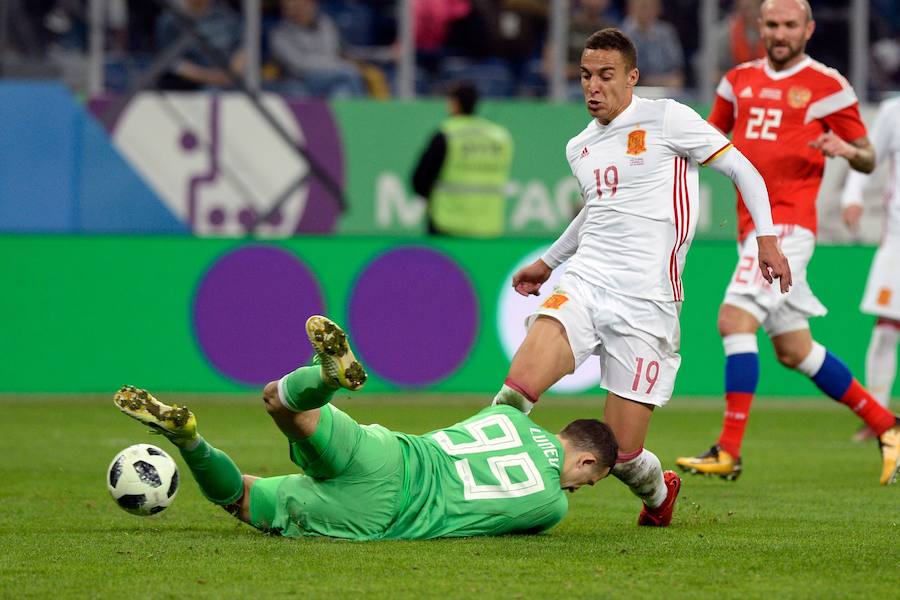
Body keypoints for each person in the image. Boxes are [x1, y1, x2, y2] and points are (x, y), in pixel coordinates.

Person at [490, 27, 791, 528]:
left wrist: (767, 237)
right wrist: (550, 262)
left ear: (632, 78)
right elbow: (597, 211)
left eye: (606, 76)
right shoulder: (579, 147)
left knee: (623, 455)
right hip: (585, 284)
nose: (593, 87)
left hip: (648, 302)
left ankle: (659, 493)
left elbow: (743, 170)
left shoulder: (667, 117)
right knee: (515, 393)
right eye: (586, 76)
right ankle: (478, 488)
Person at [113, 316, 619, 540]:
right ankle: (190, 441)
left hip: (390, 451)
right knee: (241, 498)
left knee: (280, 402)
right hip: (384, 511)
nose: (580, 488)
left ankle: (324, 379)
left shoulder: (507, 416)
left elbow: (512, 397)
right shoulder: (552, 507)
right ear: (587, 461)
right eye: (588, 482)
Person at [675, 0, 900, 486]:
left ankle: (729, 450)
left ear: (808, 29)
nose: (780, 33)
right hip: (747, 228)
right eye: (772, 24)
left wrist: (847, 150)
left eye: (790, 25)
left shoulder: (829, 85)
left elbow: (866, 157)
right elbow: (706, 139)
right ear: (761, 27)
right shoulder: (736, 80)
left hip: (788, 229)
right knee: (795, 350)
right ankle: (888, 427)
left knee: (733, 319)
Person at [840, 96, 900, 440]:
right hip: (897, 239)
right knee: (887, 327)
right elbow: (868, 159)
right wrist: (852, 197)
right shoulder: (893, 113)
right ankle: (878, 416)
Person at [411, 81, 514, 237]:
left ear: (454, 104)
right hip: (488, 226)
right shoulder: (500, 136)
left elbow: (420, 180)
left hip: (447, 223)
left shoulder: (447, 133)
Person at [268, 0, 367, 98]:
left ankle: (352, 112)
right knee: (350, 74)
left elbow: (330, 53)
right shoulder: (279, 34)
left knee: (342, 91)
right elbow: (299, 65)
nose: (296, 12)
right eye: (291, 9)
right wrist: (339, 66)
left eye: (301, 6)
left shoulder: (325, 23)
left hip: (331, 75)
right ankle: (364, 110)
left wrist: (335, 66)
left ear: (312, 5)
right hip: (300, 80)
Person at [155, 0, 245, 90]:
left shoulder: (226, 15)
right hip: (192, 85)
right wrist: (211, 77)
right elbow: (171, 63)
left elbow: (243, 47)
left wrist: (233, 73)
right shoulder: (170, 21)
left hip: (233, 81)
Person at [620, 0, 684, 89]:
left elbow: (676, 68)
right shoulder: (621, 34)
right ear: (630, 8)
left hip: (665, 90)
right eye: (643, 6)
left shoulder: (667, 32)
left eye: (652, 7)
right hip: (633, 90)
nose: (647, 11)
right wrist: (649, 81)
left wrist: (674, 79)